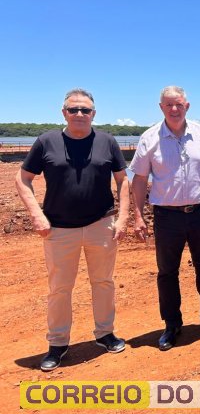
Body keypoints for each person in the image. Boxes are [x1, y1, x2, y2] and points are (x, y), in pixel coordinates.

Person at [15, 88, 129, 371]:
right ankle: (57, 343)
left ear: (94, 113)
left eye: (85, 110)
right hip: (58, 229)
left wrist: (123, 217)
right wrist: (37, 215)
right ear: (63, 112)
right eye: (73, 109)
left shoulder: (107, 141)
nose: (79, 114)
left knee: (103, 282)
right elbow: (23, 178)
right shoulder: (47, 142)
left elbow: (122, 180)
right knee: (60, 288)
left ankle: (105, 333)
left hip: (101, 225)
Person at [130, 86, 200, 351]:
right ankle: (172, 324)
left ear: (187, 106)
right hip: (166, 217)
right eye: (169, 105)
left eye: (179, 104)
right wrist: (138, 215)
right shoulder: (149, 138)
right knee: (167, 272)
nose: (174, 109)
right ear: (161, 107)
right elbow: (139, 179)